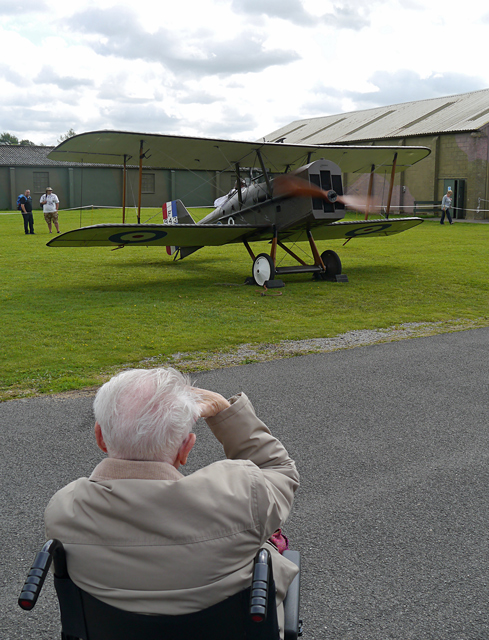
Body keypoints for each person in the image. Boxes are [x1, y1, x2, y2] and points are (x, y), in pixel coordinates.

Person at [44, 368, 299, 637]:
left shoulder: (64, 510)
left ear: (100, 437)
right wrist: (225, 412)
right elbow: (278, 469)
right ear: (185, 448)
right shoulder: (241, 496)